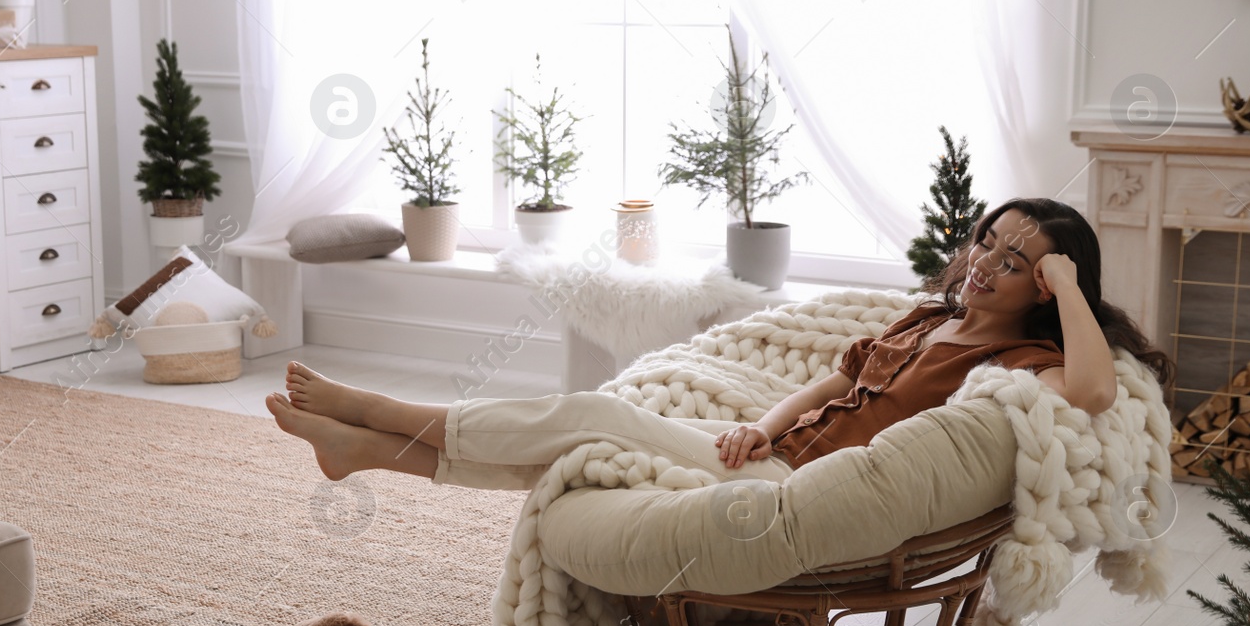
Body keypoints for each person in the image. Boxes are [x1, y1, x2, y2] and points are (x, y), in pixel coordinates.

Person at [266, 197, 1174, 490]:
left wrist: (1065, 283)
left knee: (593, 409)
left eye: (1018, 264)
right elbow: (830, 386)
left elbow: (1094, 390)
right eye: (990, 241)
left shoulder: (1014, 361)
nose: (987, 264)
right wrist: (763, 428)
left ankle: (375, 417)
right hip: (771, 456)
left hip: (803, 493)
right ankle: (371, 451)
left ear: (1046, 291)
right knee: (585, 439)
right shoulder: (929, 319)